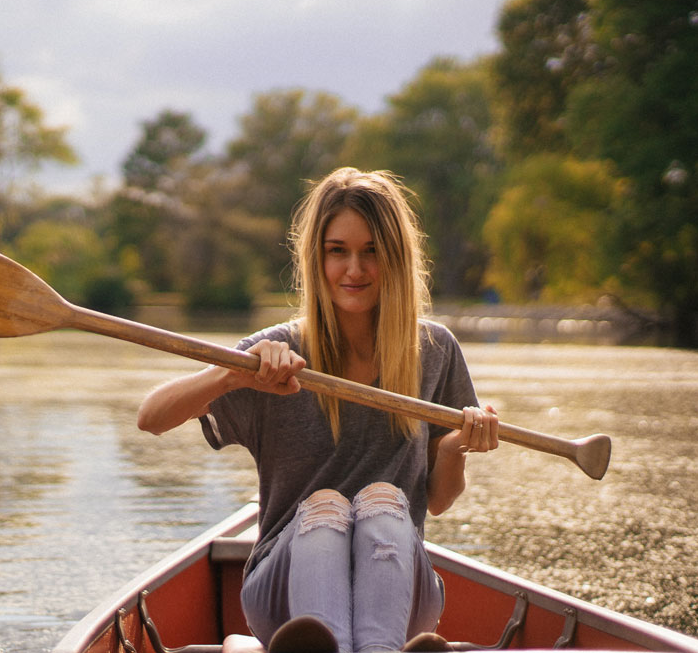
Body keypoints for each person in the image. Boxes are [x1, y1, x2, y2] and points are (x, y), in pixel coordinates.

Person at [136, 167, 499, 653]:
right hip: (284, 594)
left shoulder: (434, 350)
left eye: (372, 251)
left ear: (396, 257)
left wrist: (455, 447)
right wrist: (233, 374)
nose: (355, 269)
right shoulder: (273, 353)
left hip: (401, 592)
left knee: (385, 505)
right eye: (338, 251)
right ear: (316, 256)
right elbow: (151, 418)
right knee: (326, 509)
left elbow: (436, 500)